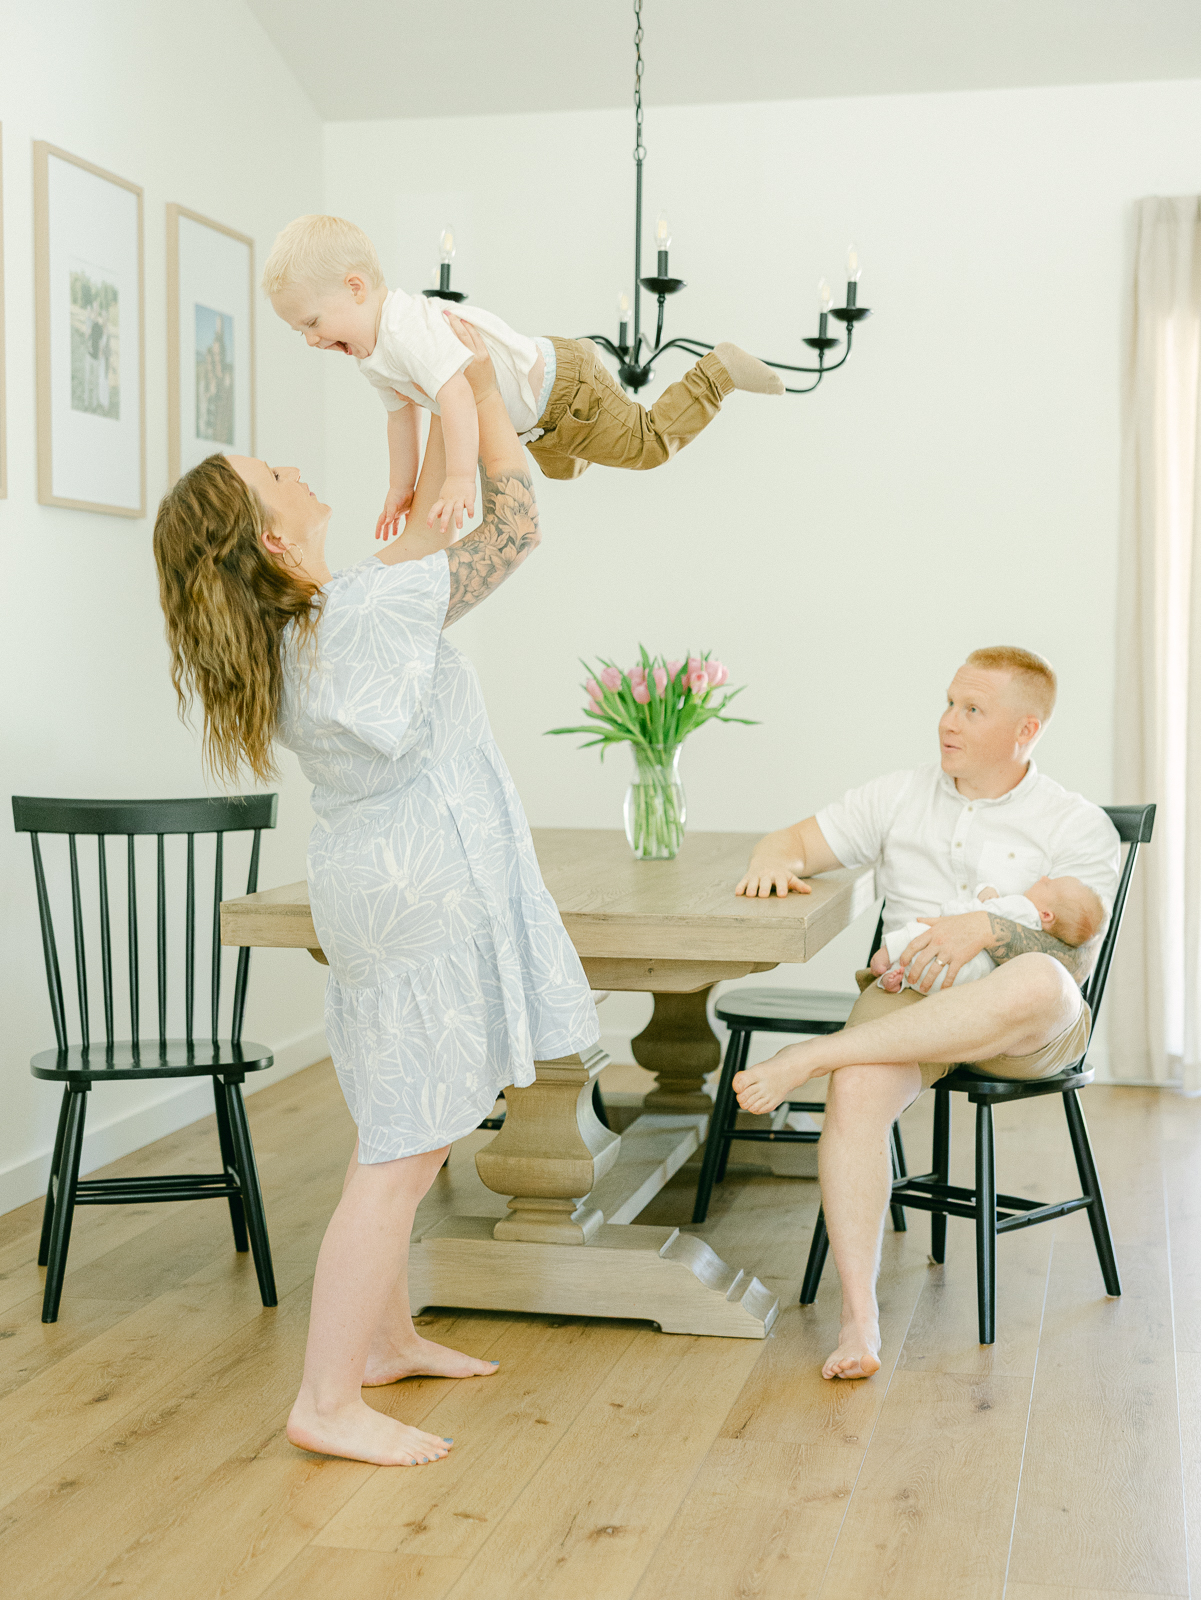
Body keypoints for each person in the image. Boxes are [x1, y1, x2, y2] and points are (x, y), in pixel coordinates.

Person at [152, 318, 599, 1468]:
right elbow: (515, 525)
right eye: (276, 473)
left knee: (411, 1122)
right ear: (269, 529)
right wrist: (481, 383)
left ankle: (385, 1337)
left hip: (374, 885)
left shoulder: (310, 624)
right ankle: (325, 1399)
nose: (299, 471)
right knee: (399, 1151)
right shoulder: (362, 608)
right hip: (419, 887)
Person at [731, 646, 1120, 1381]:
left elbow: (1076, 931)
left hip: (1018, 1019)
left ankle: (813, 1056)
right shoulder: (896, 795)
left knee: (1041, 980)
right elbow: (791, 842)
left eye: (972, 710)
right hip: (912, 994)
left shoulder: (1072, 820)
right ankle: (858, 1318)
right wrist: (770, 861)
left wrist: (988, 928)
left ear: (1024, 731)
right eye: (947, 703)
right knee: (857, 1089)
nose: (947, 722)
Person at [261, 213, 785, 539]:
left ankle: (719, 372)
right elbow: (403, 418)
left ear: (356, 288)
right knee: (561, 470)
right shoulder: (371, 352)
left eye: (312, 322)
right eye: (299, 331)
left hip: (565, 394)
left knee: (646, 447)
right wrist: (401, 487)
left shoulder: (405, 328)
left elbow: (458, 399)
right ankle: (581, 411)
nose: (311, 340)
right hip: (539, 422)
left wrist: (461, 479)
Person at [871, 873, 1104, 993]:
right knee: (931, 978)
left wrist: (959, 908)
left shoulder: (1023, 906)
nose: (1043, 878)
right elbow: (997, 912)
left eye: (1048, 885)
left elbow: (979, 914)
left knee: (920, 930)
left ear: (1046, 915)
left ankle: (885, 958)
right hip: (971, 976)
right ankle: (898, 981)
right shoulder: (1035, 932)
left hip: (950, 954)